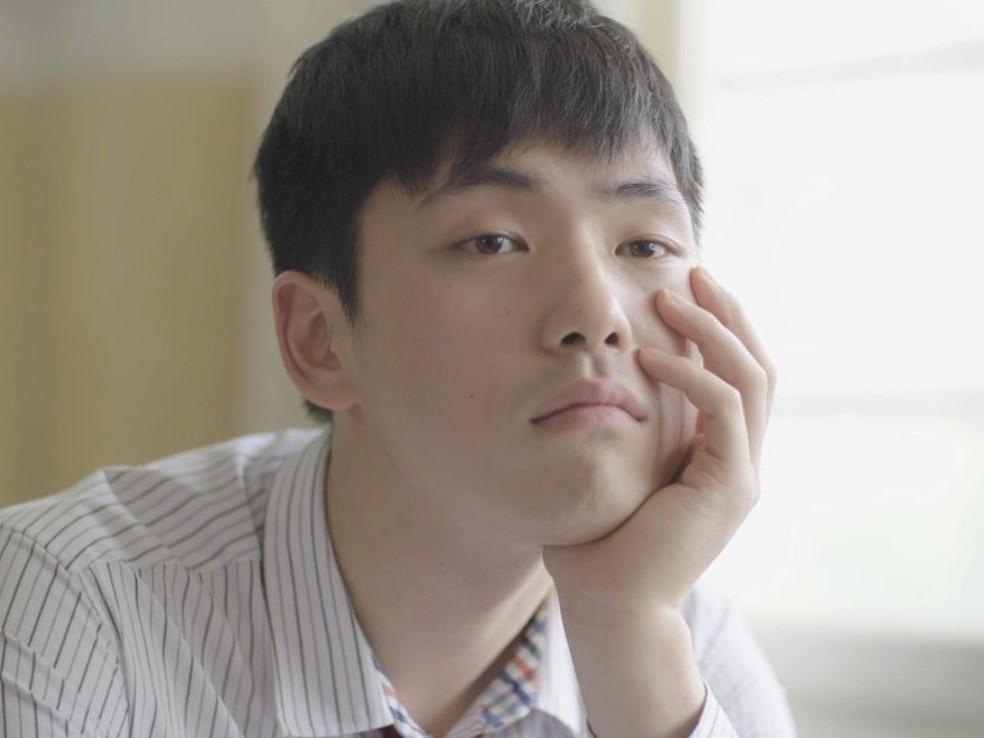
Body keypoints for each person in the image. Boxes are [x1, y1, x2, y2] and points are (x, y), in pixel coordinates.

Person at [0, 1, 796, 736]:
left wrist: (625, 629)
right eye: (493, 241)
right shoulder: (69, 604)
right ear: (321, 339)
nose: (598, 314)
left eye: (645, 245)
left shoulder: (680, 636)